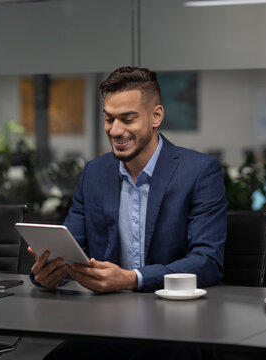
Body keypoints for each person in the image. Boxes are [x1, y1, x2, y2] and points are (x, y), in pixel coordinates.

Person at [29, 66, 227, 359]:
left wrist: (131, 278)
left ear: (156, 116)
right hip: (106, 322)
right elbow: (72, 248)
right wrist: (48, 273)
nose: (115, 129)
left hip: (175, 327)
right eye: (109, 119)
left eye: (127, 118)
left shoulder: (199, 172)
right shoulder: (95, 173)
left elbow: (207, 262)